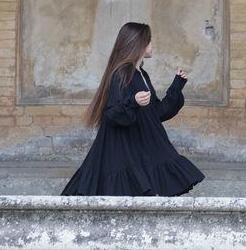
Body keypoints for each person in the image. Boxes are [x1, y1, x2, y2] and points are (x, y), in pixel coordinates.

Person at [61, 22, 204, 197]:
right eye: (149, 41)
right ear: (139, 44)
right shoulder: (121, 73)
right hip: (123, 150)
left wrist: (176, 86)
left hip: (142, 146)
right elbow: (113, 113)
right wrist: (133, 101)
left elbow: (157, 112)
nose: (152, 46)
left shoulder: (142, 75)